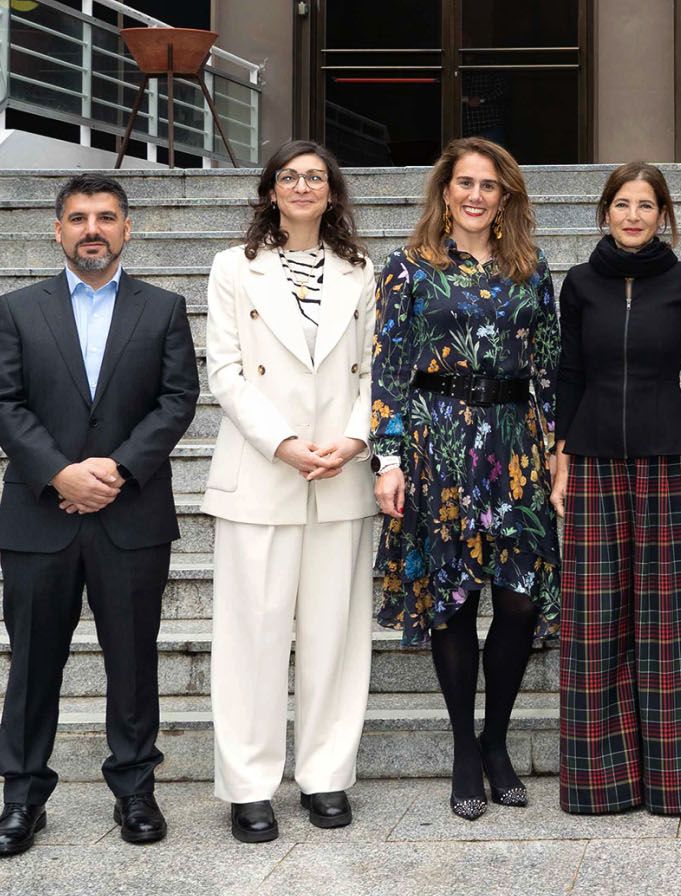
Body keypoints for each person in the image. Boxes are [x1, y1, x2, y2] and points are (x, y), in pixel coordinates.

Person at [0, 174, 199, 855]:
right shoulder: (16, 310)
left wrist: (115, 469)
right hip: (39, 516)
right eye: (80, 217)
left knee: (133, 661)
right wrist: (59, 472)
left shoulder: (163, 308)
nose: (93, 229)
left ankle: (135, 791)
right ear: (57, 229)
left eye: (106, 216)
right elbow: (5, 402)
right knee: (33, 663)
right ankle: (22, 796)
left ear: (127, 229)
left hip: (130, 512)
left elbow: (177, 399)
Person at [371, 137, 560, 820]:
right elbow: (389, 369)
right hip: (440, 446)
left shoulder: (531, 269)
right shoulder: (408, 268)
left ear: (505, 197)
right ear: (445, 192)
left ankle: (495, 740)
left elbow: (548, 366)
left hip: (515, 447)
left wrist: (559, 449)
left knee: (518, 601)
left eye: (489, 185)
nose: (476, 195)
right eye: (465, 183)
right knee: (451, 600)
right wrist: (387, 459)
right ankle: (462, 749)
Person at [203, 141, 378, 842]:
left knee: (336, 634)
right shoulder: (232, 267)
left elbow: (376, 369)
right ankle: (249, 786)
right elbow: (225, 371)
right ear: (270, 190)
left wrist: (353, 440)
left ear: (332, 192)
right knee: (253, 633)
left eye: (315, 177)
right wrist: (282, 442)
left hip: (340, 470)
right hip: (261, 470)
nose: (303, 186)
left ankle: (325, 774)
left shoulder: (360, 270)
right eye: (289, 176)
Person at [553, 162, 681, 816]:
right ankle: (600, 784)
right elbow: (569, 372)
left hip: (670, 459)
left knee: (670, 624)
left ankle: (677, 784)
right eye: (622, 203)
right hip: (592, 460)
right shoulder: (579, 283)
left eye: (645, 205)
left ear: (662, 215)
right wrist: (560, 457)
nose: (633, 215)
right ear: (606, 211)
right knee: (594, 624)